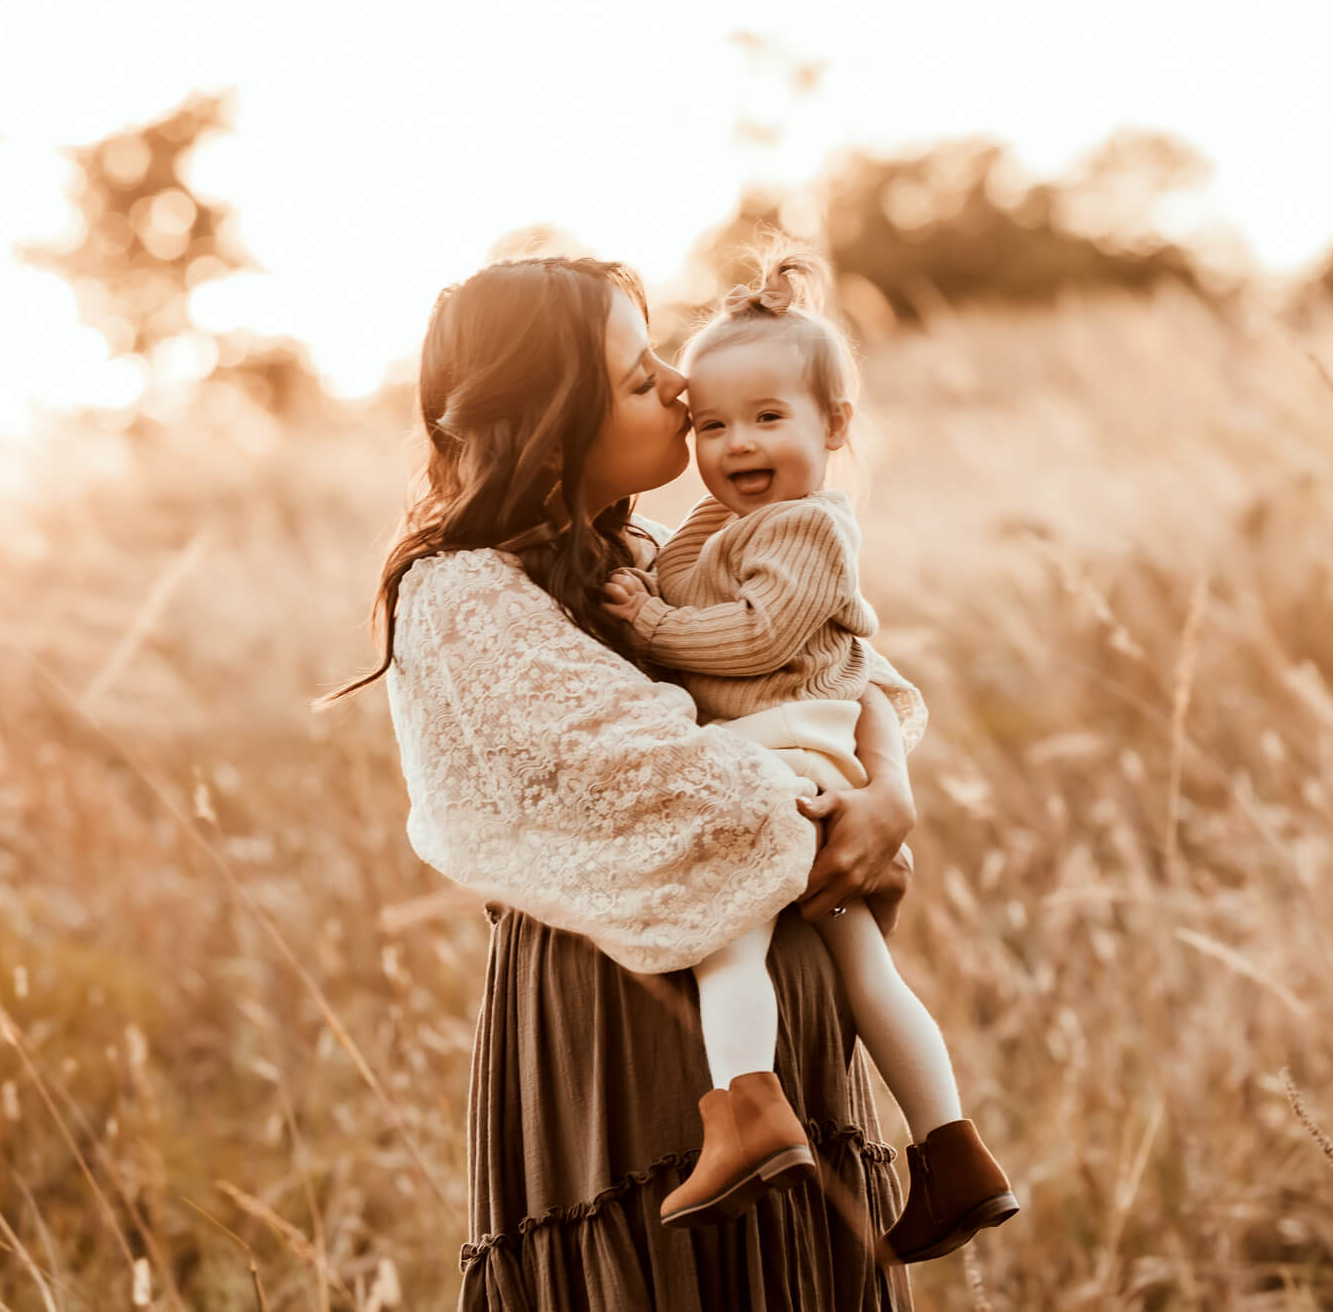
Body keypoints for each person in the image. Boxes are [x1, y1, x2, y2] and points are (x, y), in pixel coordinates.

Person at [321, 255, 920, 1309]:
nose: (682, 391)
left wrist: (889, 787)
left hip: (778, 1012)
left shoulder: (647, 560)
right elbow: (681, 777)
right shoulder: (464, 595)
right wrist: (823, 785)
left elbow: (844, 668)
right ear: (551, 422)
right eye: (641, 379)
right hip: (628, 1024)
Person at [601, 249, 1016, 1264]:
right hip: (795, 760)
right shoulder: (734, 516)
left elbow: (754, 638)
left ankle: (746, 1109)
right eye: (709, 423)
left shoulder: (811, 527)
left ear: (833, 429)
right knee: (862, 969)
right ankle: (952, 1156)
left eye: (767, 417)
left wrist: (649, 624)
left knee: (727, 932)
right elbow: (696, 558)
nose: (735, 443)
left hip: (788, 755)